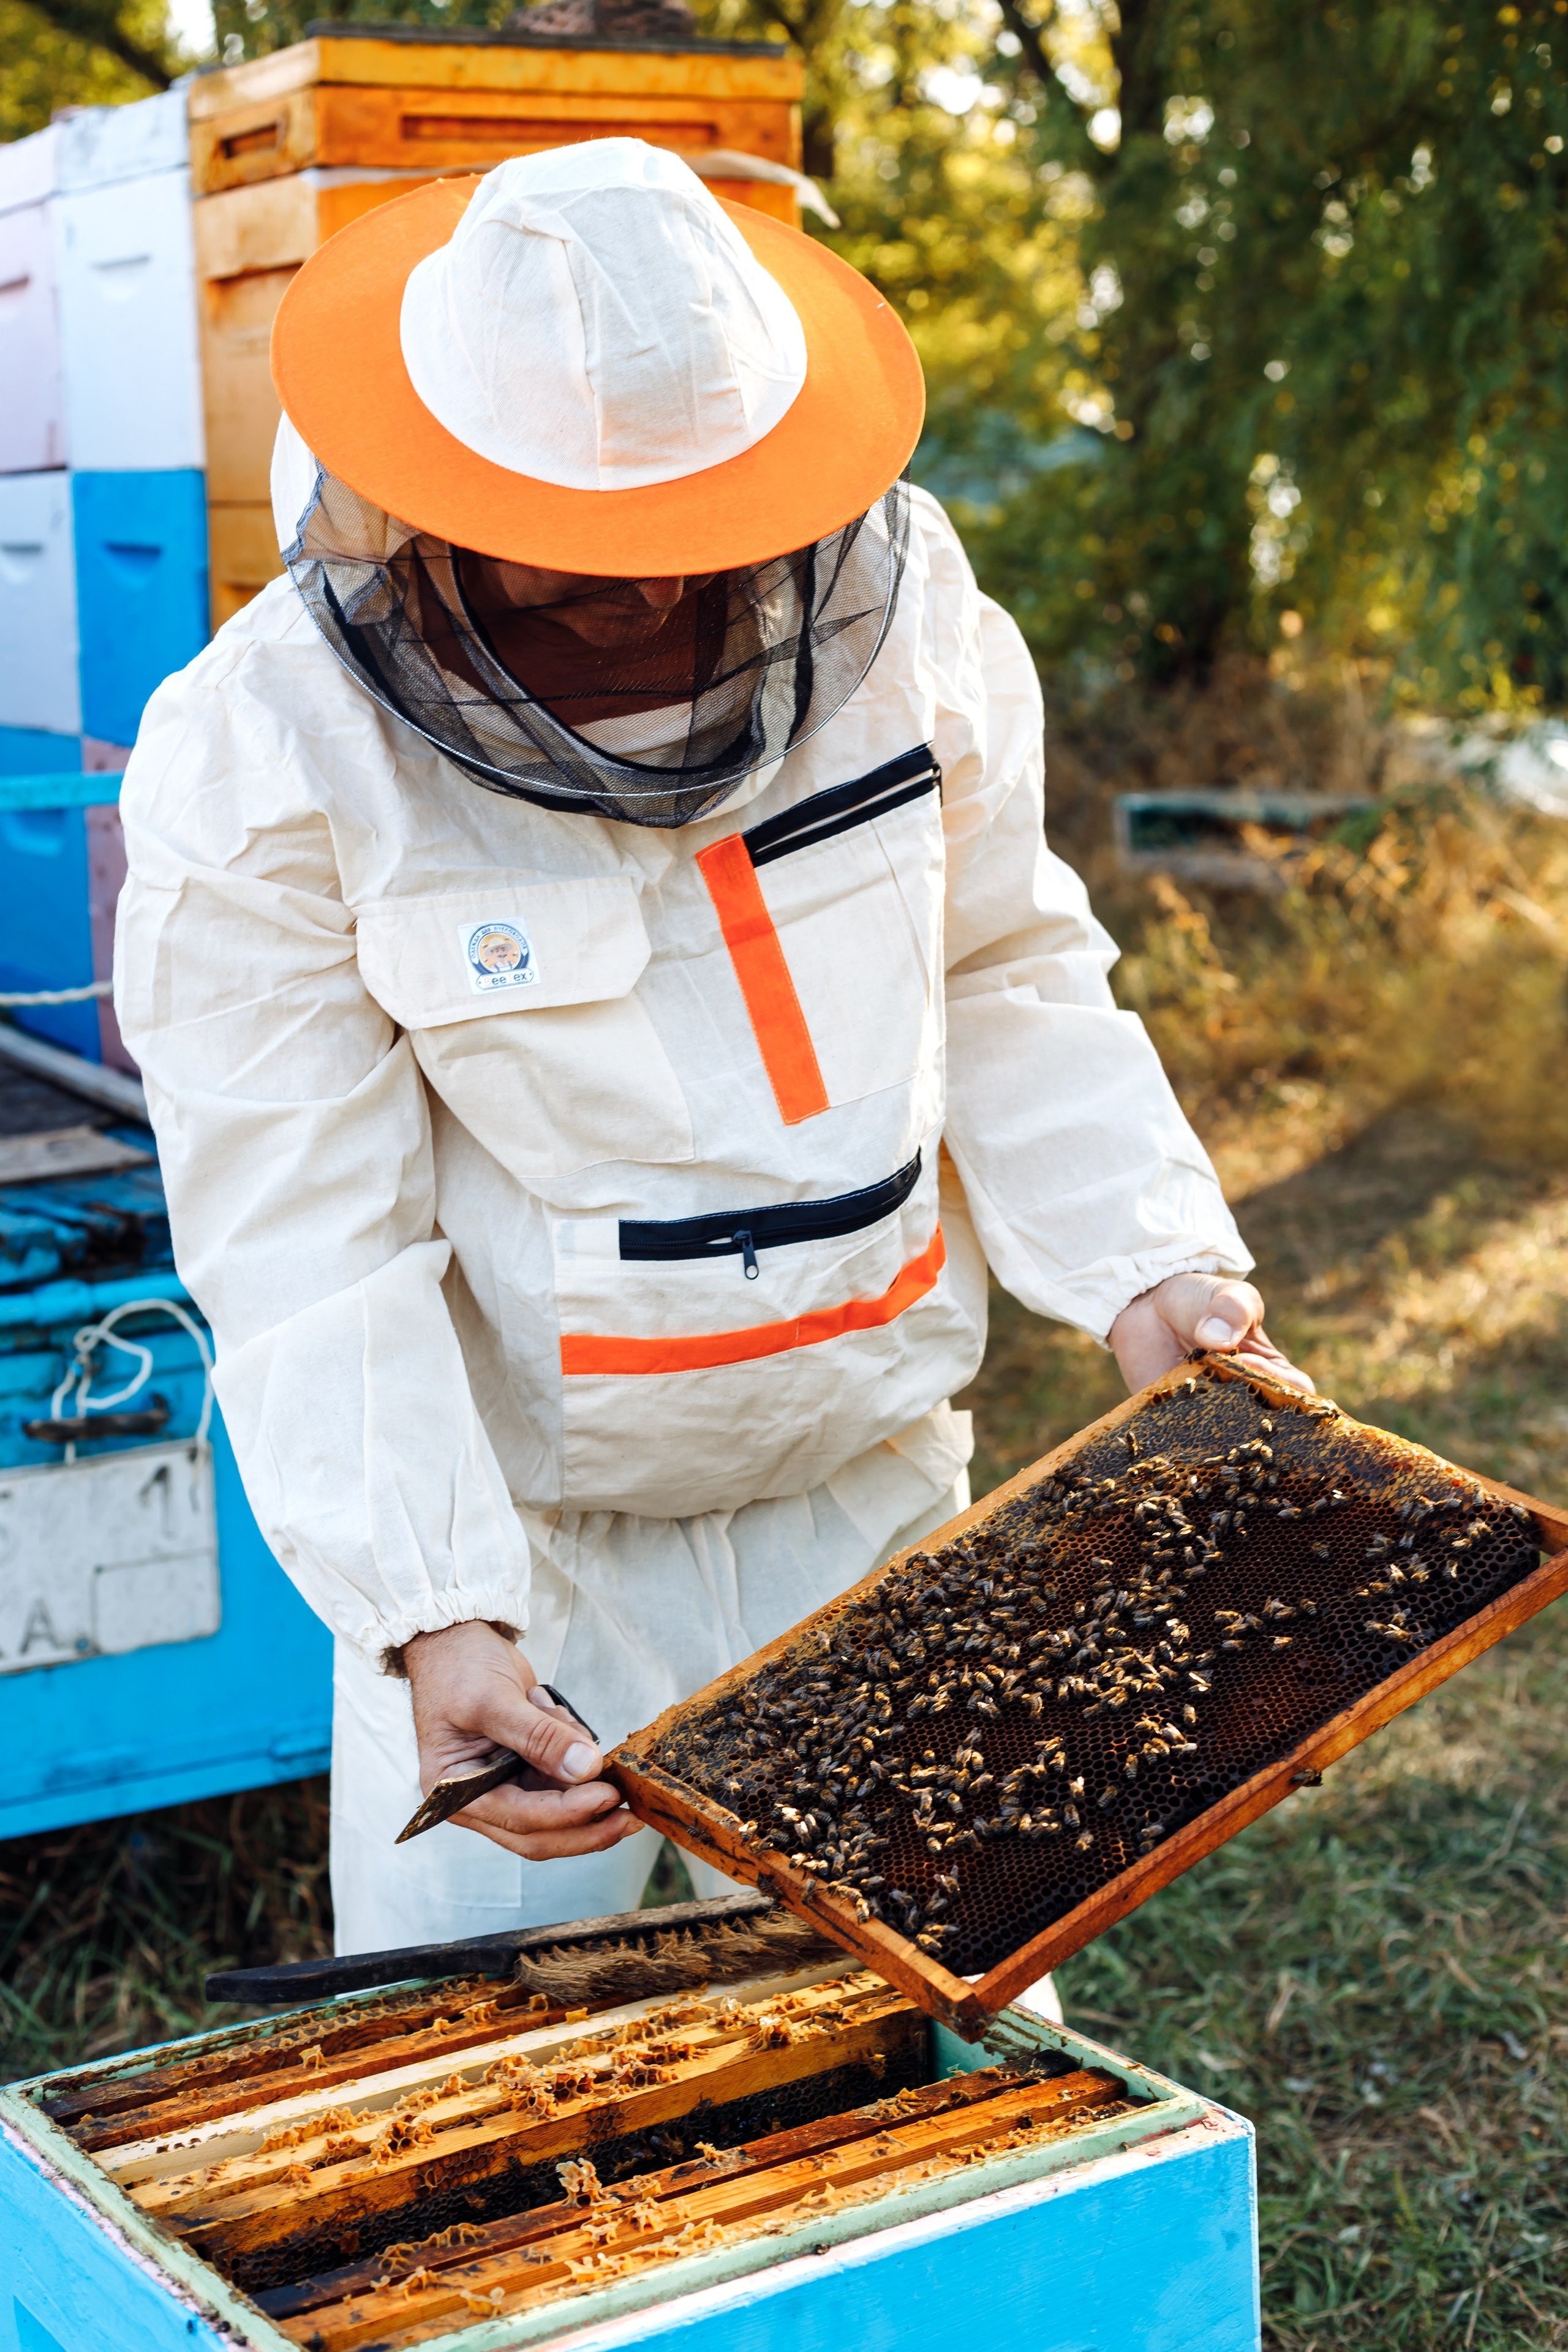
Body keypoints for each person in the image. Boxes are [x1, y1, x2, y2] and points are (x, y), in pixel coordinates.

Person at [115, 140, 1308, 1962]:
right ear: (433, 504)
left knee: (931, 2062)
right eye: (587, 569)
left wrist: (1152, 1266)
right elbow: (303, 1235)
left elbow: (1003, 963)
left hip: (876, 1501)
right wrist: (439, 1614)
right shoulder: (269, 757)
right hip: (531, 1561)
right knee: (478, 2105)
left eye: (705, 555)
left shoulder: (903, 609)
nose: (658, 610)